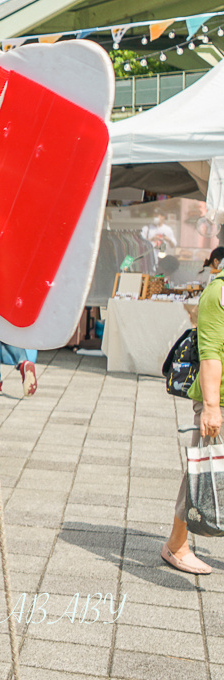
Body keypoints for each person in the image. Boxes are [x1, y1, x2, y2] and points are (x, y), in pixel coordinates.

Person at [163, 246, 224, 575]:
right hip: (220, 399)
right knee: (203, 471)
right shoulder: (219, 291)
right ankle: (176, 544)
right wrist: (211, 408)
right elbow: (211, 349)